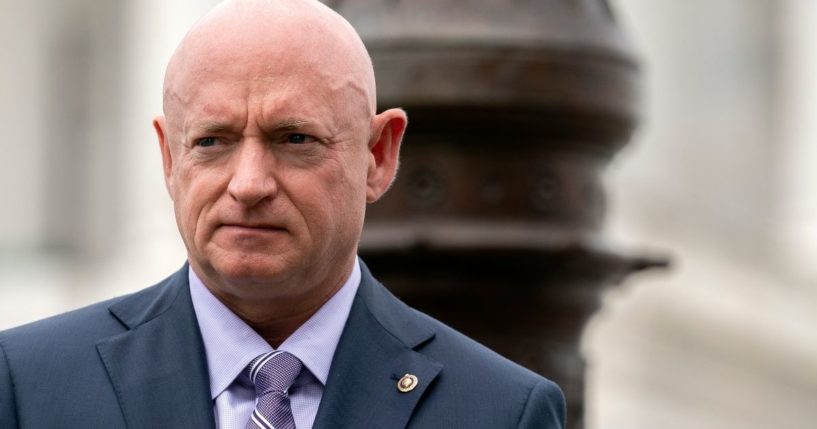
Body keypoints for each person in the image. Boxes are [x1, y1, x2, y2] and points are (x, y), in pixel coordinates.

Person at [0, 0, 566, 427]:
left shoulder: (499, 411)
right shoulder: (28, 385)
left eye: (294, 138)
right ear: (169, 158)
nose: (248, 184)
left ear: (378, 155)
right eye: (212, 141)